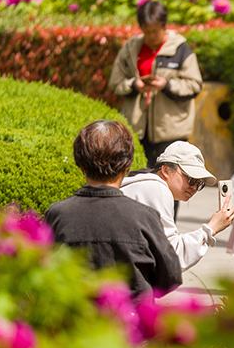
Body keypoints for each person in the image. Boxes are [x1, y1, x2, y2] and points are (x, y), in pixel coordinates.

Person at [45, 120, 181, 297]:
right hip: (131, 318)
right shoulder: (144, 217)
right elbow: (170, 276)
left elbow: (41, 273)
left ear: (81, 168)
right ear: (127, 167)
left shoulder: (57, 215)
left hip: (75, 317)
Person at [109, 0, 204, 168]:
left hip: (171, 131)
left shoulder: (180, 49)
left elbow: (194, 85)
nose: (151, 36)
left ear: (164, 26)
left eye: (155, 31)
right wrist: (134, 85)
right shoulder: (131, 48)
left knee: (171, 183)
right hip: (137, 128)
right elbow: (116, 83)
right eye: (147, 31)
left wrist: (166, 85)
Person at [120, 141, 234, 272]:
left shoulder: (144, 184)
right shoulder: (157, 189)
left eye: (199, 183)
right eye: (191, 179)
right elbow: (172, 256)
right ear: (166, 170)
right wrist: (211, 228)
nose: (194, 187)